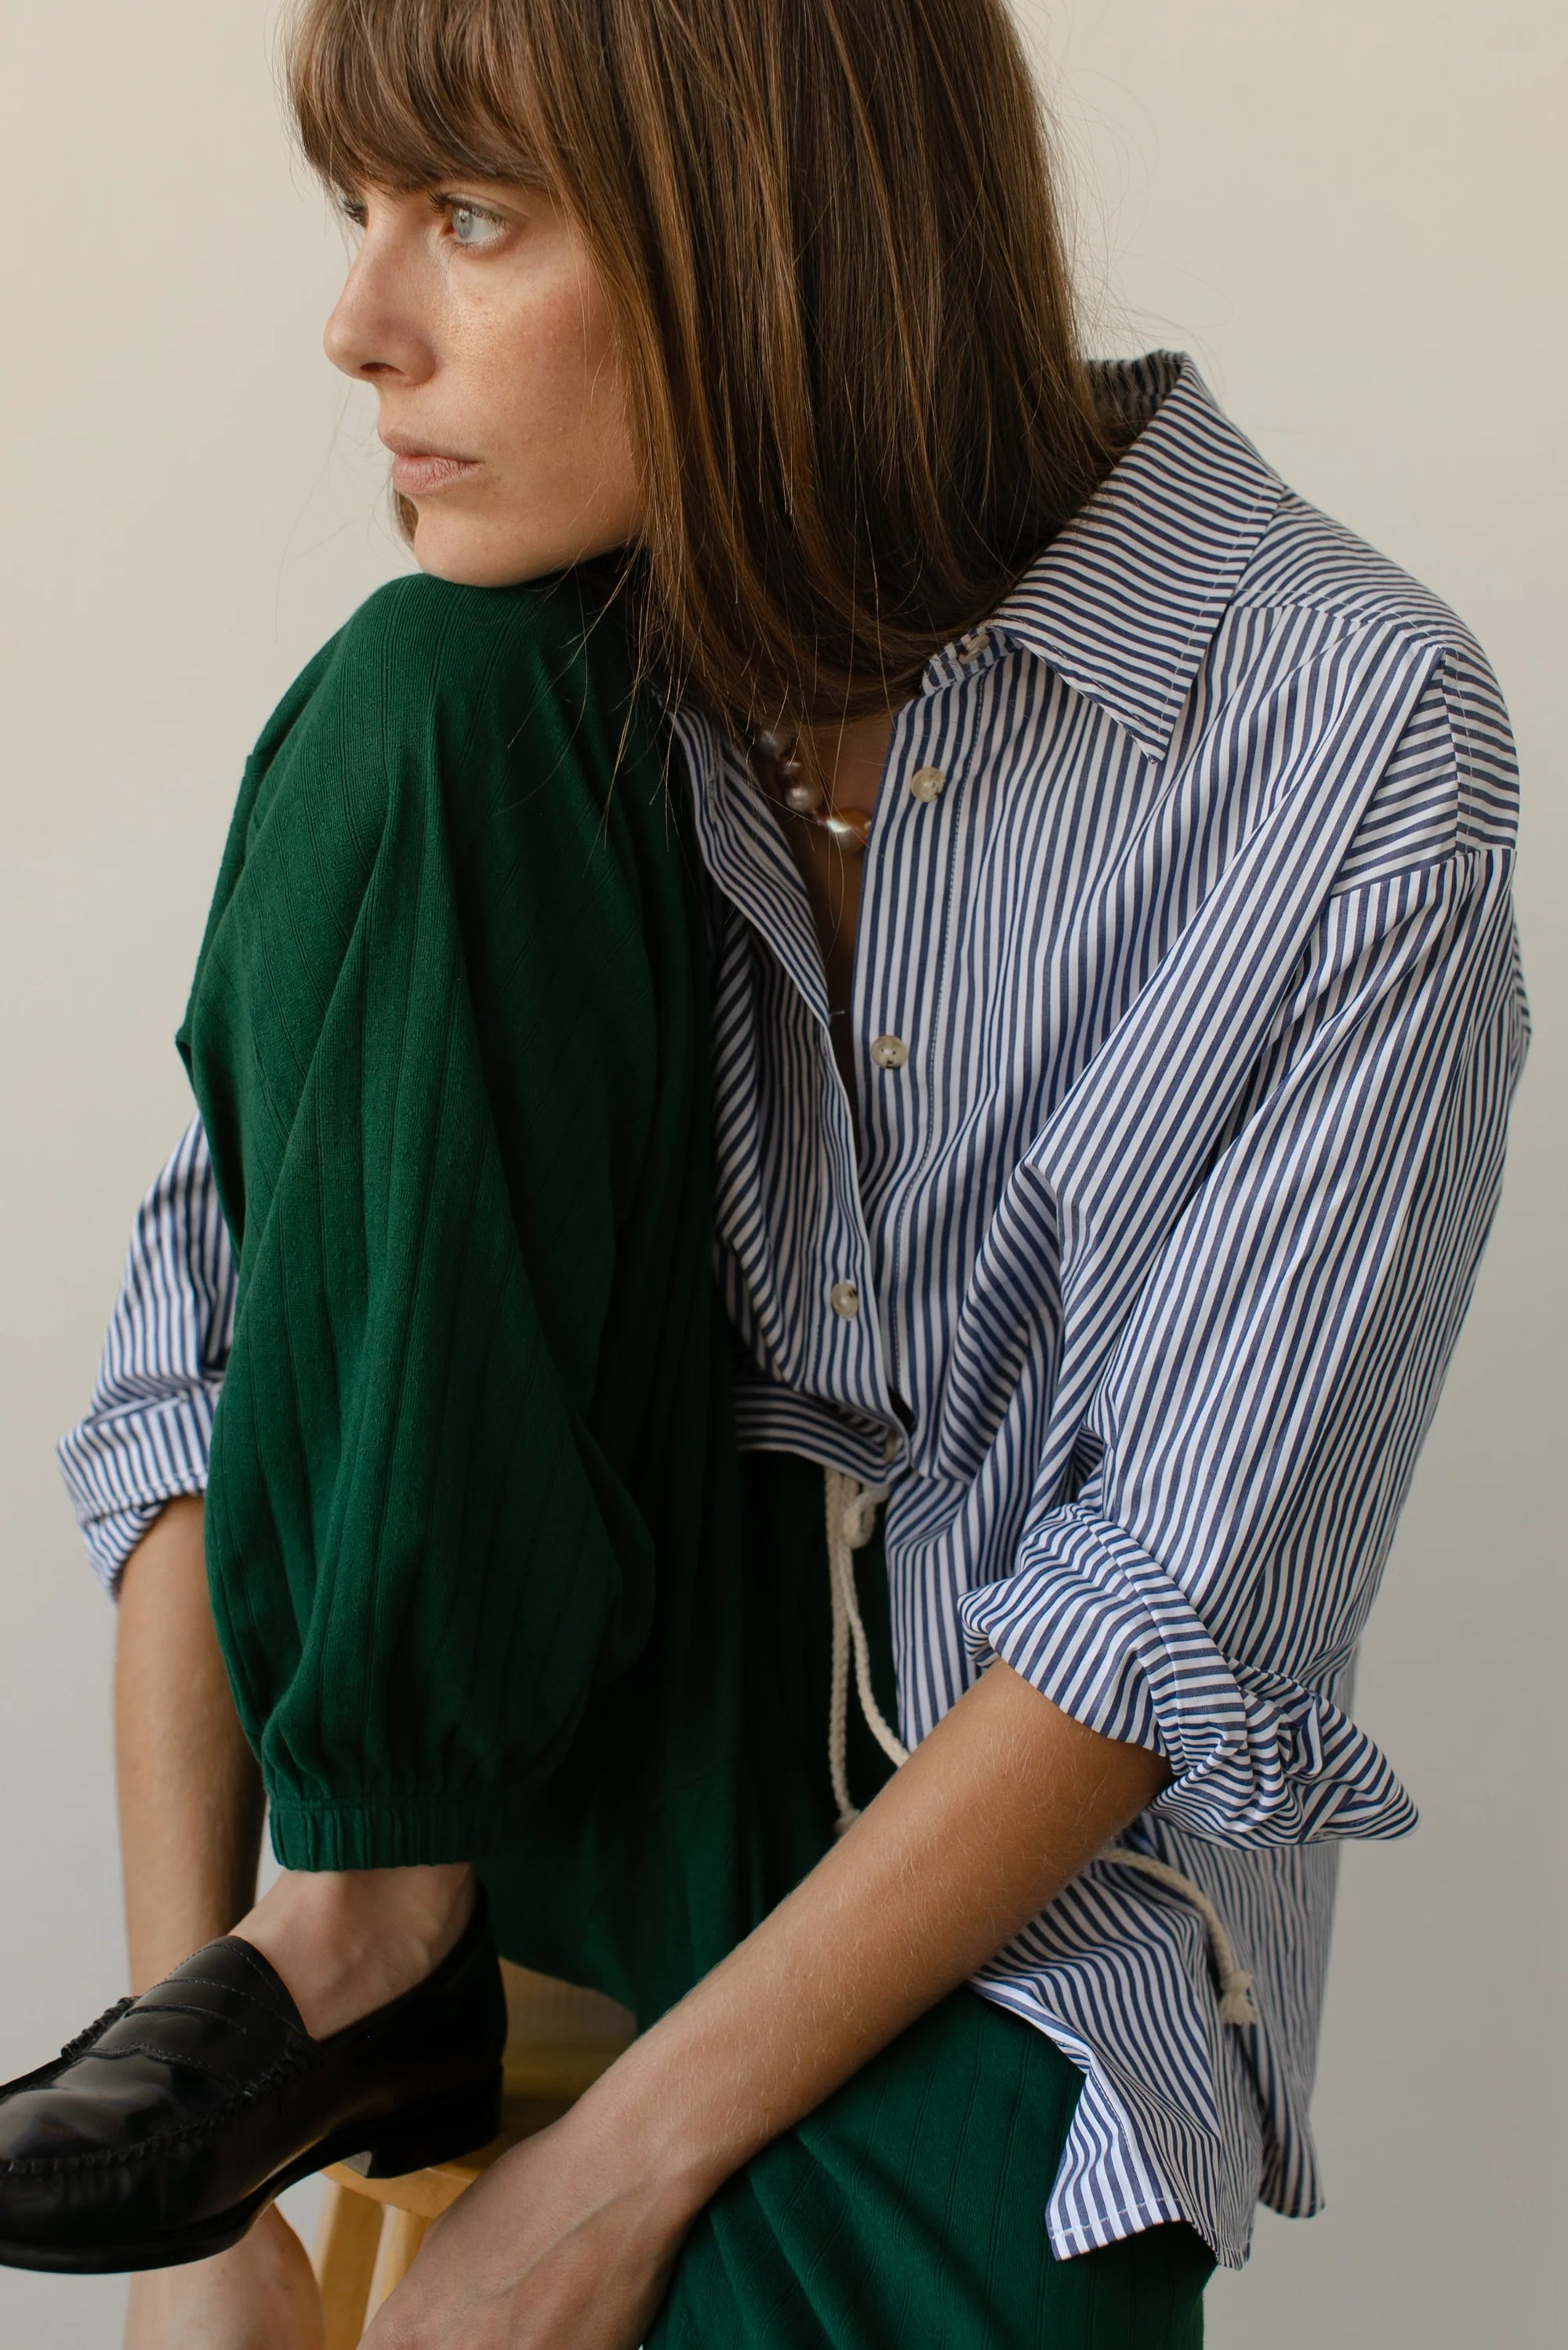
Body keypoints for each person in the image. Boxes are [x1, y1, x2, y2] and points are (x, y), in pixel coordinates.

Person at [1, 0, 1527, 2344]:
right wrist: (207, 2215)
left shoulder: (1343, 733)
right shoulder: (501, 690)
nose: (357, 323)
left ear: (766, 228)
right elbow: (208, 1368)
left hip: (1018, 1872)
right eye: (363, 214)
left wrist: (615, 2172)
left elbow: (1170, 1600)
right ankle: (372, 1930)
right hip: (523, 1753)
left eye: (471, 218)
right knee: (429, 697)